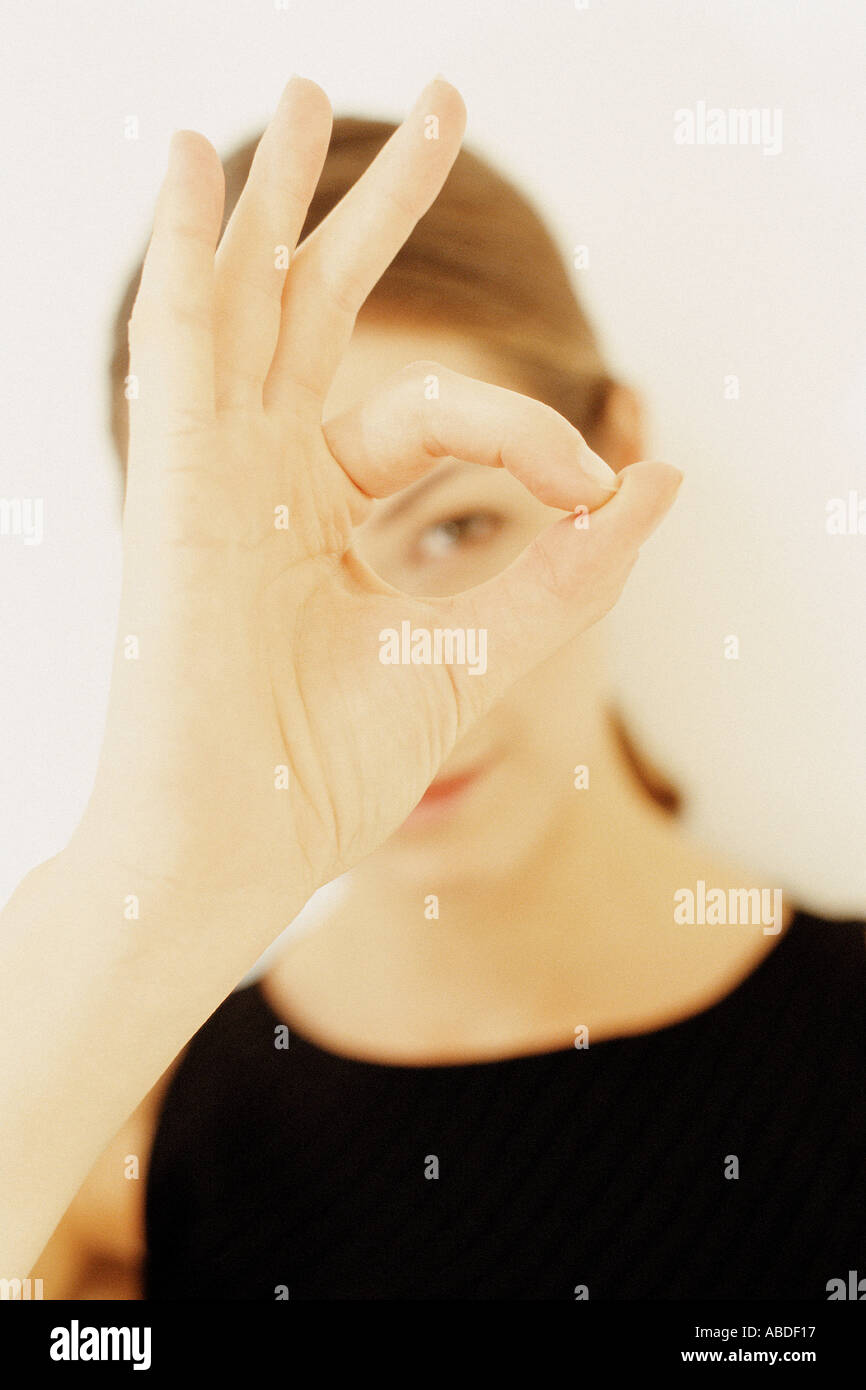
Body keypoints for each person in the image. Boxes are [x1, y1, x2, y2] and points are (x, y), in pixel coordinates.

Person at [3, 76, 864, 1301]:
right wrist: (150, 883)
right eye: (289, 585)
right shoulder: (124, 1148)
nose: (385, 658)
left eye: (456, 526)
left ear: (613, 456)